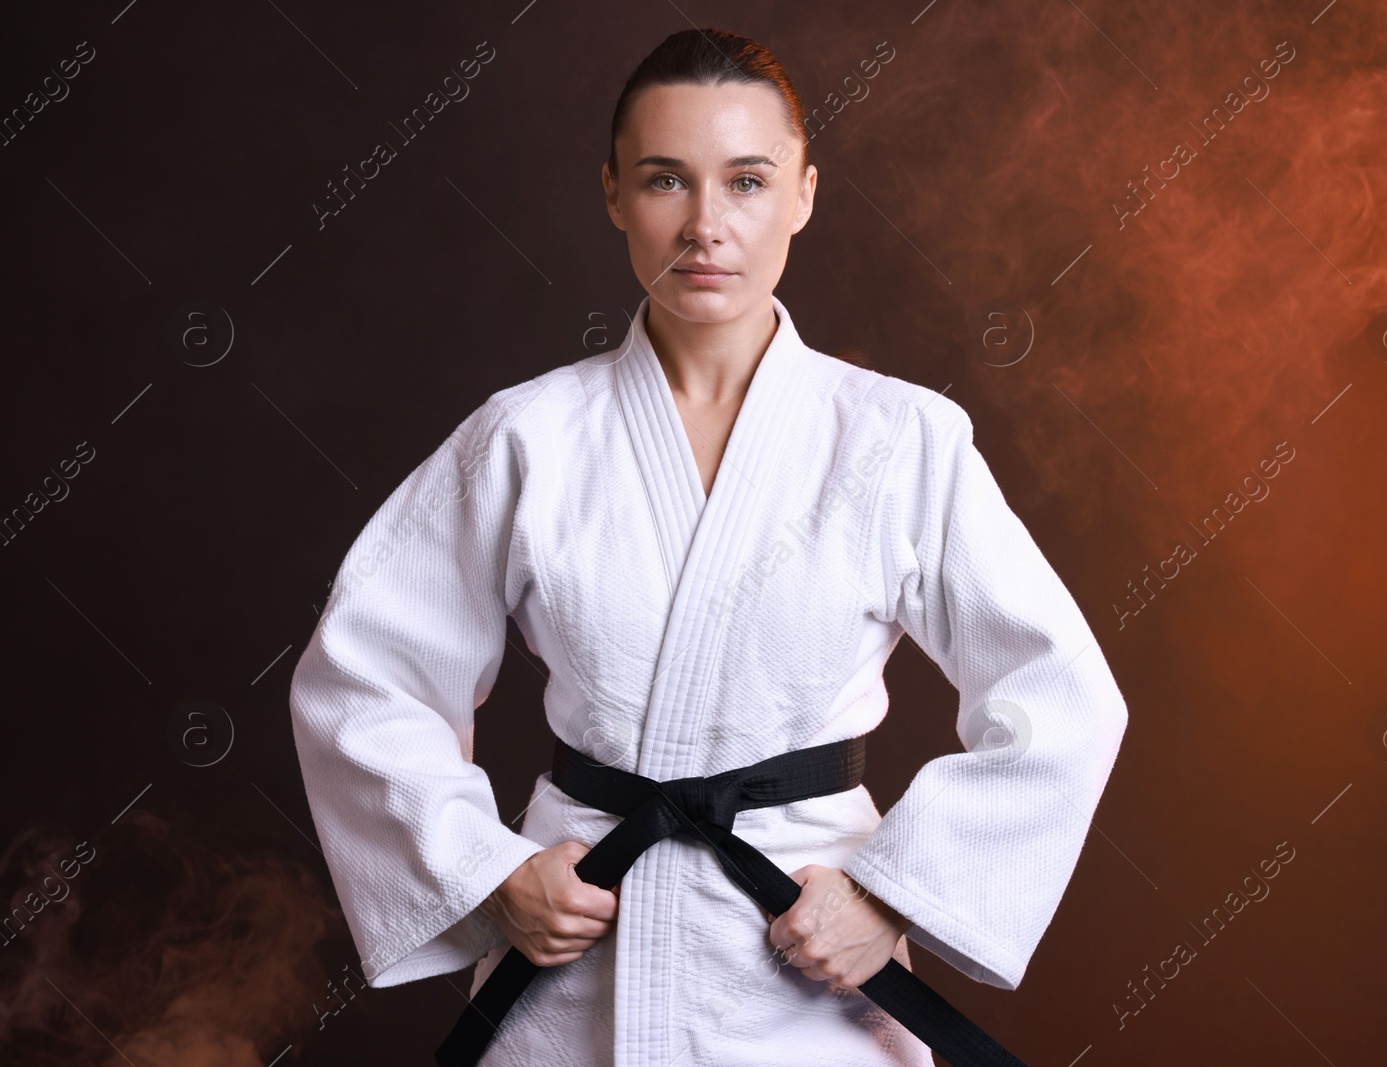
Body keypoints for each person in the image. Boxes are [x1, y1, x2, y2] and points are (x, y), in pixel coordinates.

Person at [287, 26, 1129, 1067]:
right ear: (612, 196)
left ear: (803, 196)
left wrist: (888, 894)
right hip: (579, 943)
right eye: (663, 181)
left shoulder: (899, 439)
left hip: (812, 955)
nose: (704, 225)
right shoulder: (527, 436)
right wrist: (490, 873)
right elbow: (365, 674)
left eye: (745, 181)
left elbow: (1060, 698)